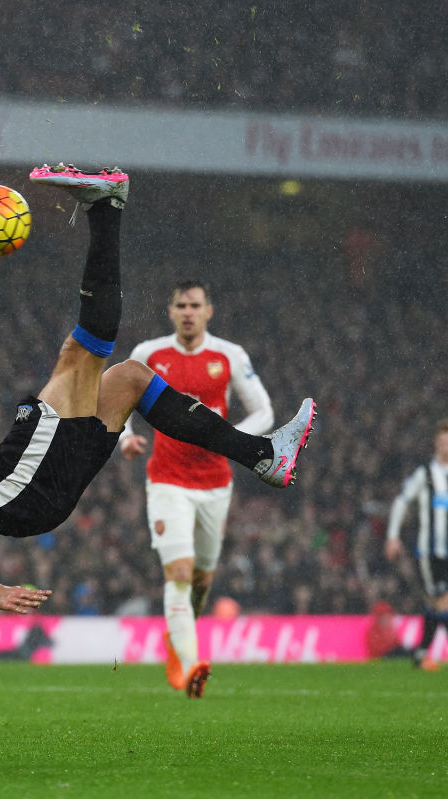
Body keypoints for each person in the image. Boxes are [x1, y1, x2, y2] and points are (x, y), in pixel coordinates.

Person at [0, 163, 316, 707]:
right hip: (16, 488)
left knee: (131, 378)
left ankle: (262, 454)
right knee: (81, 353)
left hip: (24, 476)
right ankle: (105, 209)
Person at [118, 281, 275, 698]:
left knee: (202, 581)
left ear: (209, 311)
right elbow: (119, 398)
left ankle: (178, 639)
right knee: (180, 572)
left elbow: (264, 410)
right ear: (170, 311)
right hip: (167, 479)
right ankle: (189, 666)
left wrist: (228, 439)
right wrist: (125, 438)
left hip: (215, 483)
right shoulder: (149, 354)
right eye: (181, 305)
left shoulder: (229, 355)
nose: (188, 312)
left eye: (195, 305)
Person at [385, 418, 448, 670]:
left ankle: (421, 654)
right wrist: (393, 535)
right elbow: (401, 501)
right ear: (436, 444)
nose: (447, 446)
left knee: (436, 602)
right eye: (443, 442)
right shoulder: (426, 473)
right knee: (446, 598)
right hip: (429, 551)